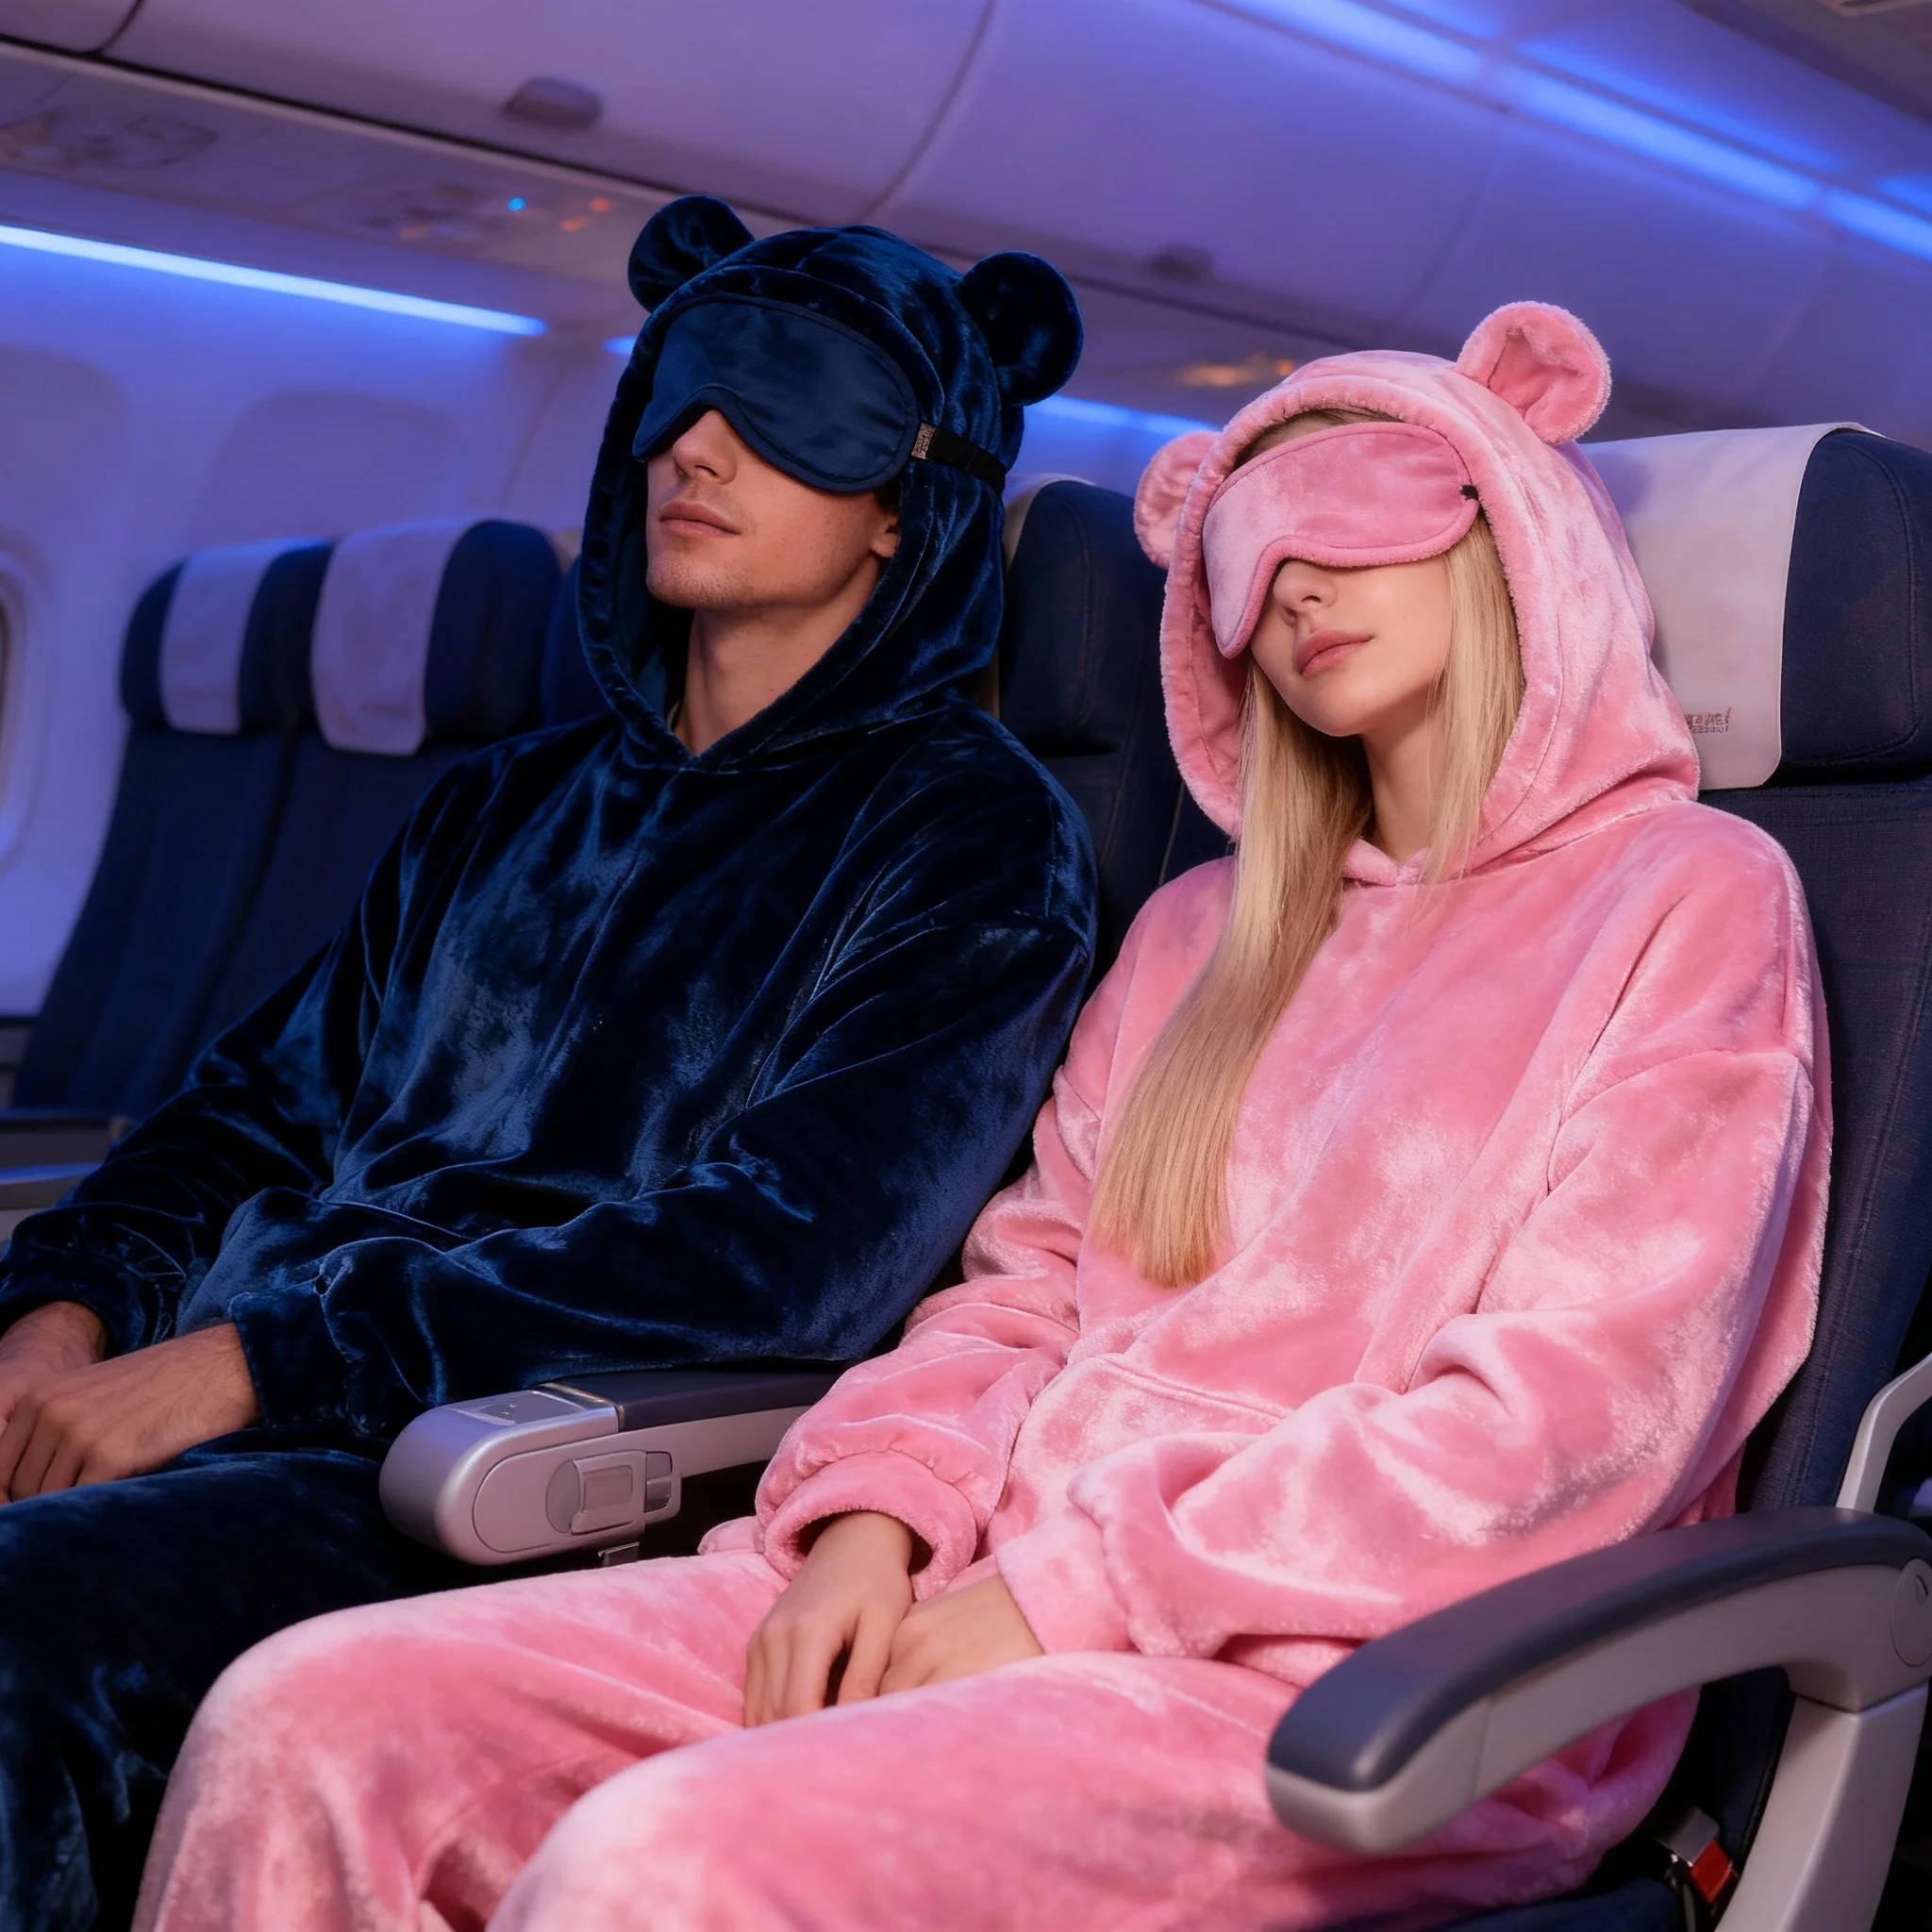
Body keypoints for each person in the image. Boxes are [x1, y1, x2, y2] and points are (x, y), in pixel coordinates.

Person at [133, 302, 1827, 1932]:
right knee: (310, 1720)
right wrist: (872, 1520)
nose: (1297, 583)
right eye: (1247, 553)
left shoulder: (1690, 898)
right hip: (992, 1570)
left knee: (668, 1868)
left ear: (1512, 528)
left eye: (1355, 521)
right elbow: (1020, 1292)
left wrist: (1077, 1593)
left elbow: (1570, 1423)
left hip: (1371, 1678)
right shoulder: (1205, 935)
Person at [0, 193, 1098, 1930]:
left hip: (488, 1462)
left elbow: (781, 1261)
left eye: (789, 409)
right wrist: (61, 1309)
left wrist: (257, 1367)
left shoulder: (969, 841)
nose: (697, 447)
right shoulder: (505, 798)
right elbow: (253, 1108)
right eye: (679, 393)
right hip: (238, 1383)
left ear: (906, 500)